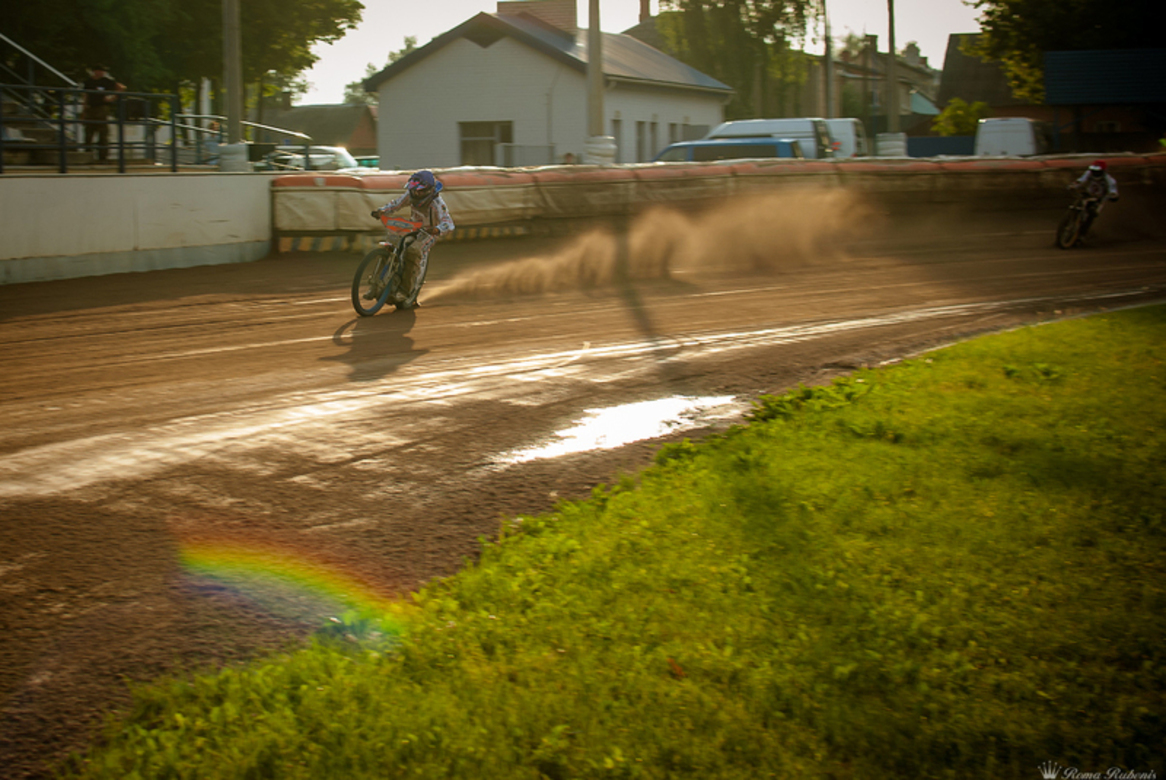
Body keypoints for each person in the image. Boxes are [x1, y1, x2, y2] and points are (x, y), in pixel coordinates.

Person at [370, 170, 455, 309]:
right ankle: (376, 284)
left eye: (420, 192)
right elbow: (396, 204)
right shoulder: (410, 195)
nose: (416, 194)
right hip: (412, 228)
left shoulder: (437, 203)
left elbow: (448, 222)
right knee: (392, 244)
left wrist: (437, 229)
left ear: (428, 191)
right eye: (414, 191)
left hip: (429, 233)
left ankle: (404, 291)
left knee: (413, 251)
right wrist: (382, 211)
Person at [81, 65, 125, 161]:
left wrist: (112, 98)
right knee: (88, 132)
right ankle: (87, 154)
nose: (100, 73)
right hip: (91, 107)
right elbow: (86, 96)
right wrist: (84, 110)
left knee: (103, 133)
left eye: (102, 71)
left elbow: (121, 87)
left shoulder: (106, 81)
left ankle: (103, 156)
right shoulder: (89, 82)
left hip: (101, 108)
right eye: (99, 71)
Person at [1069, 160, 1119, 240]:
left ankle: (1082, 235)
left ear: (1103, 171)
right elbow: (1081, 180)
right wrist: (1074, 185)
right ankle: (1072, 218)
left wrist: (1113, 195)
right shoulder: (1089, 173)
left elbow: (1112, 190)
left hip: (1099, 198)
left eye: (1097, 171)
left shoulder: (1109, 180)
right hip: (1089, 193)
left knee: (1091, 213)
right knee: (1079, 201)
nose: (1095, 173)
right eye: (1093, 170)